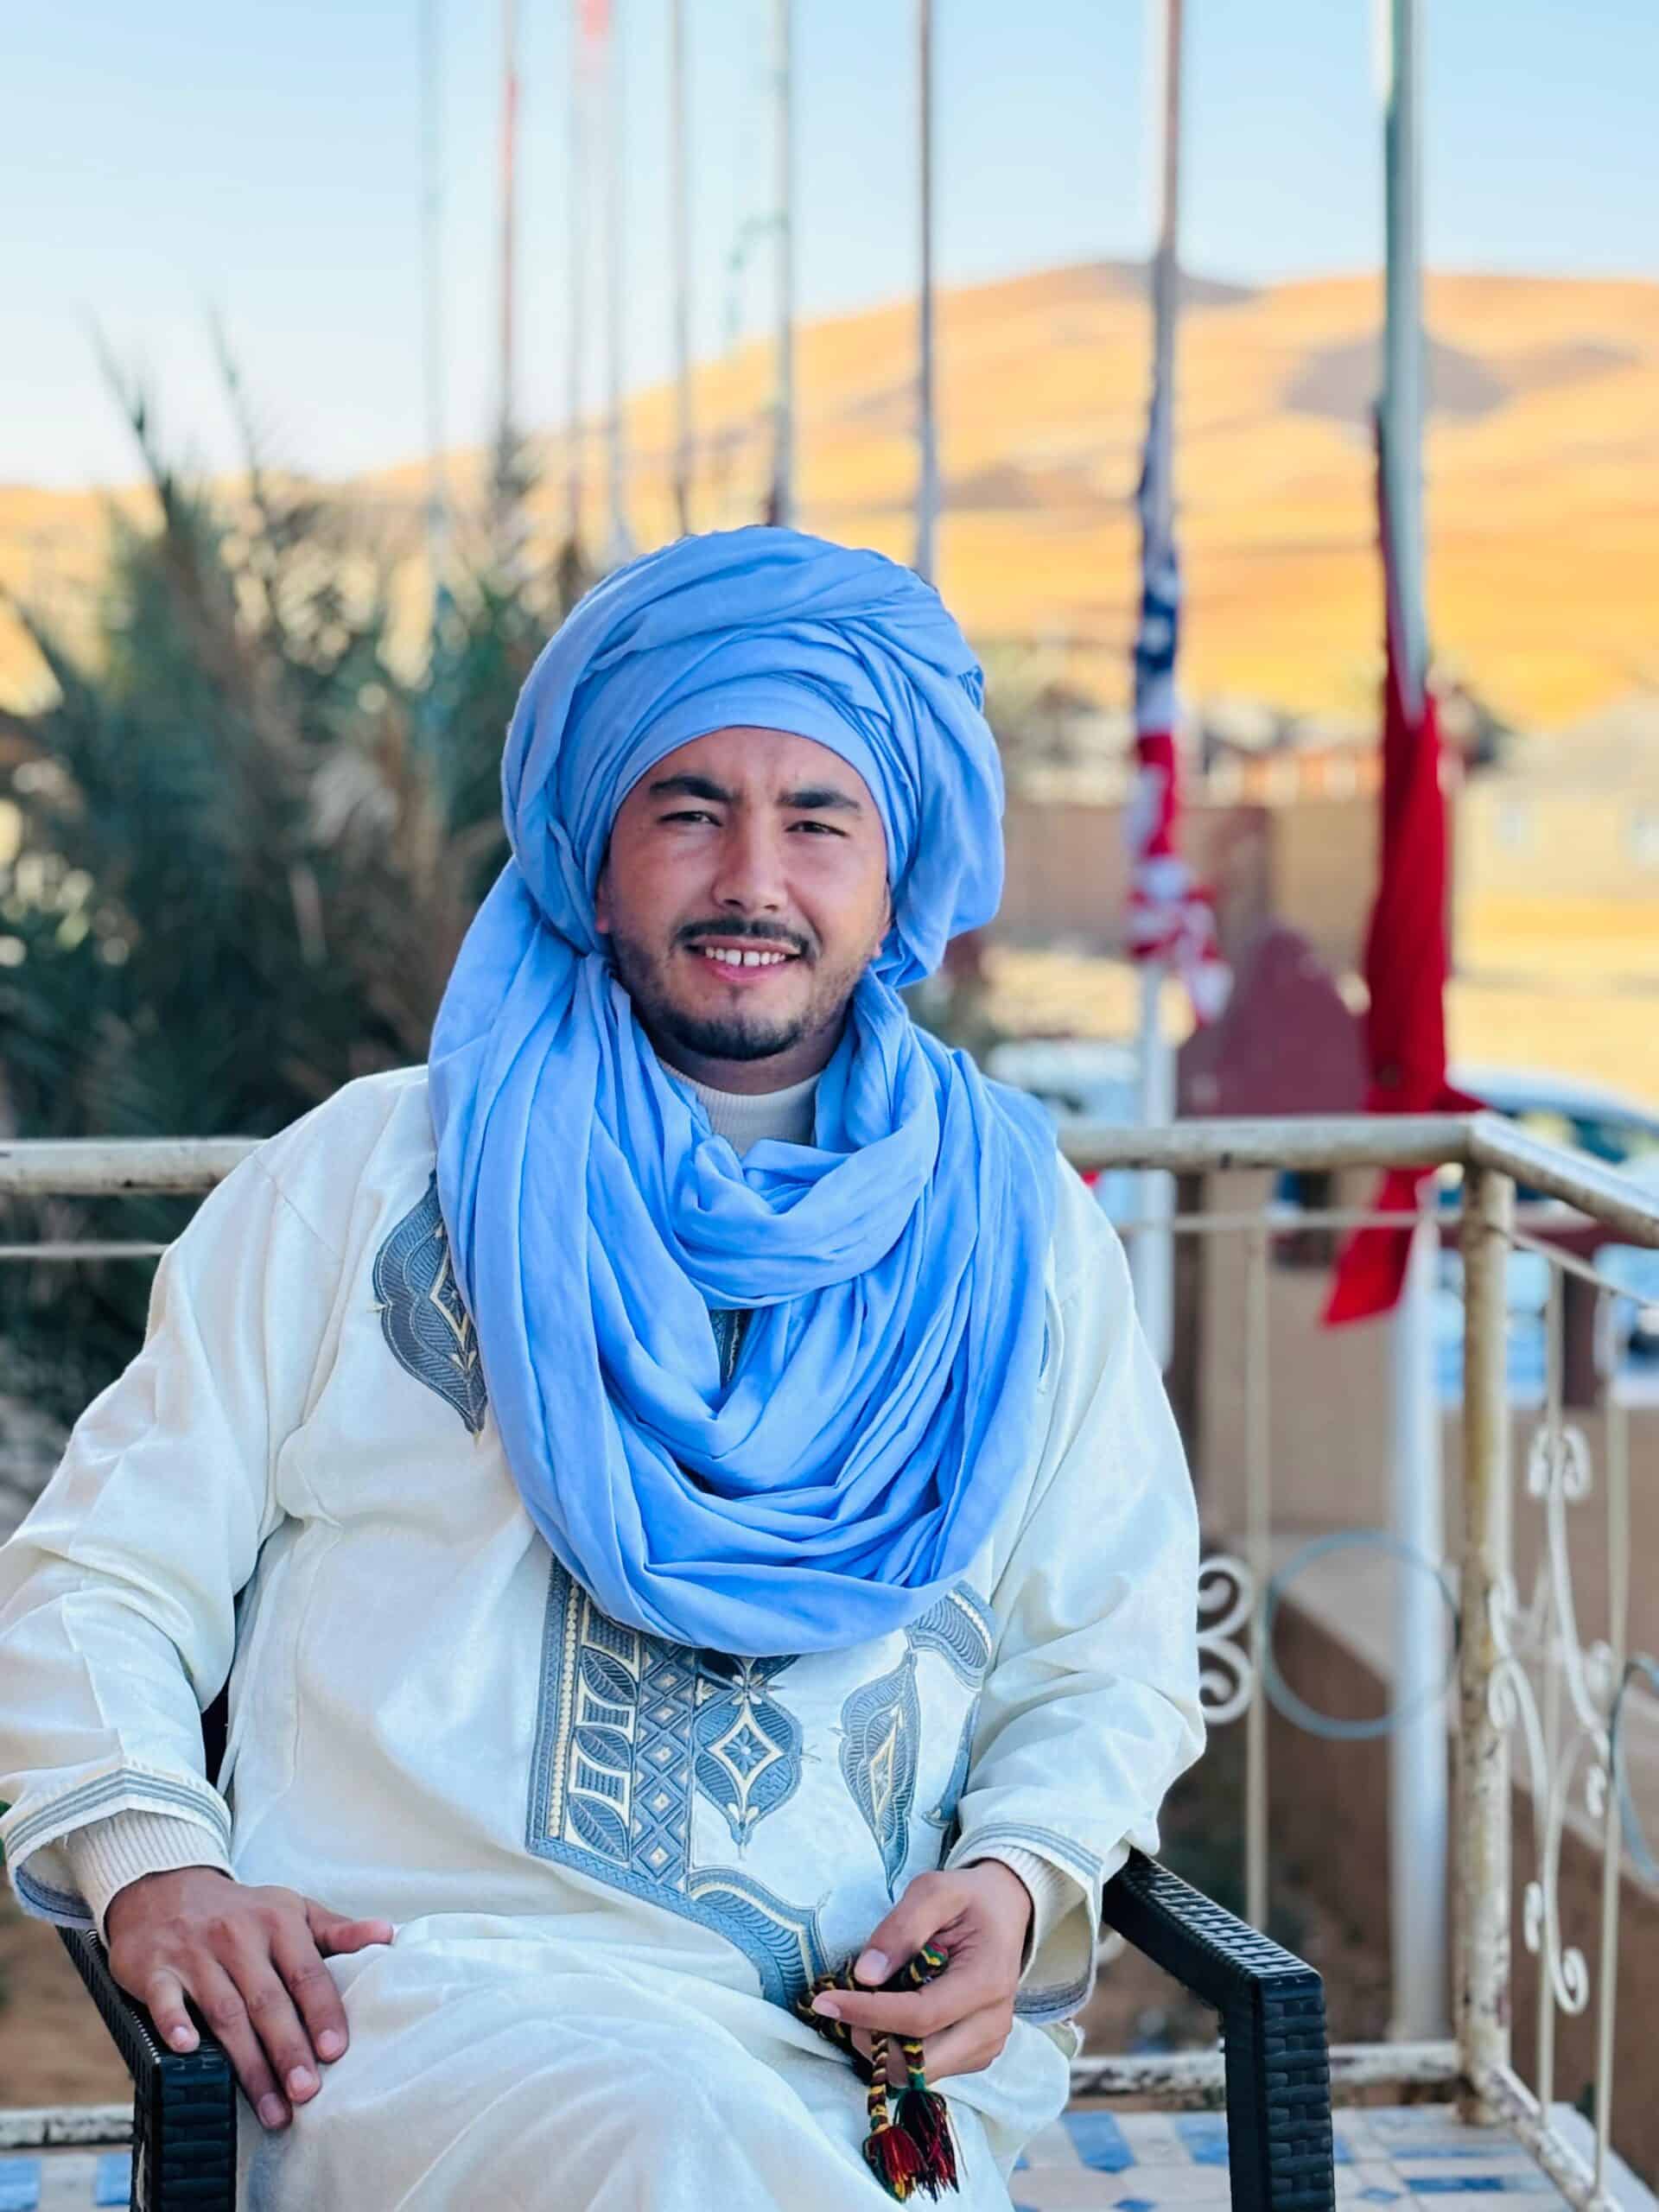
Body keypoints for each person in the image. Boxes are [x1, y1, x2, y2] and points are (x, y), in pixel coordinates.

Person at [0, 527, 1203, 2210]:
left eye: (818, 817)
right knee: (659, 2133)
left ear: (897, 859)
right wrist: (152, 1862)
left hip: (832, 2059)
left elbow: (1112, 1654)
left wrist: (1013, 1875)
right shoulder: (365, 1177)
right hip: (406, 2021)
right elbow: (99, 1571)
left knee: (707, 2132)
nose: (753, 880)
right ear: (595, 846)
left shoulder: (1022, 1240)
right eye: (690, 808)